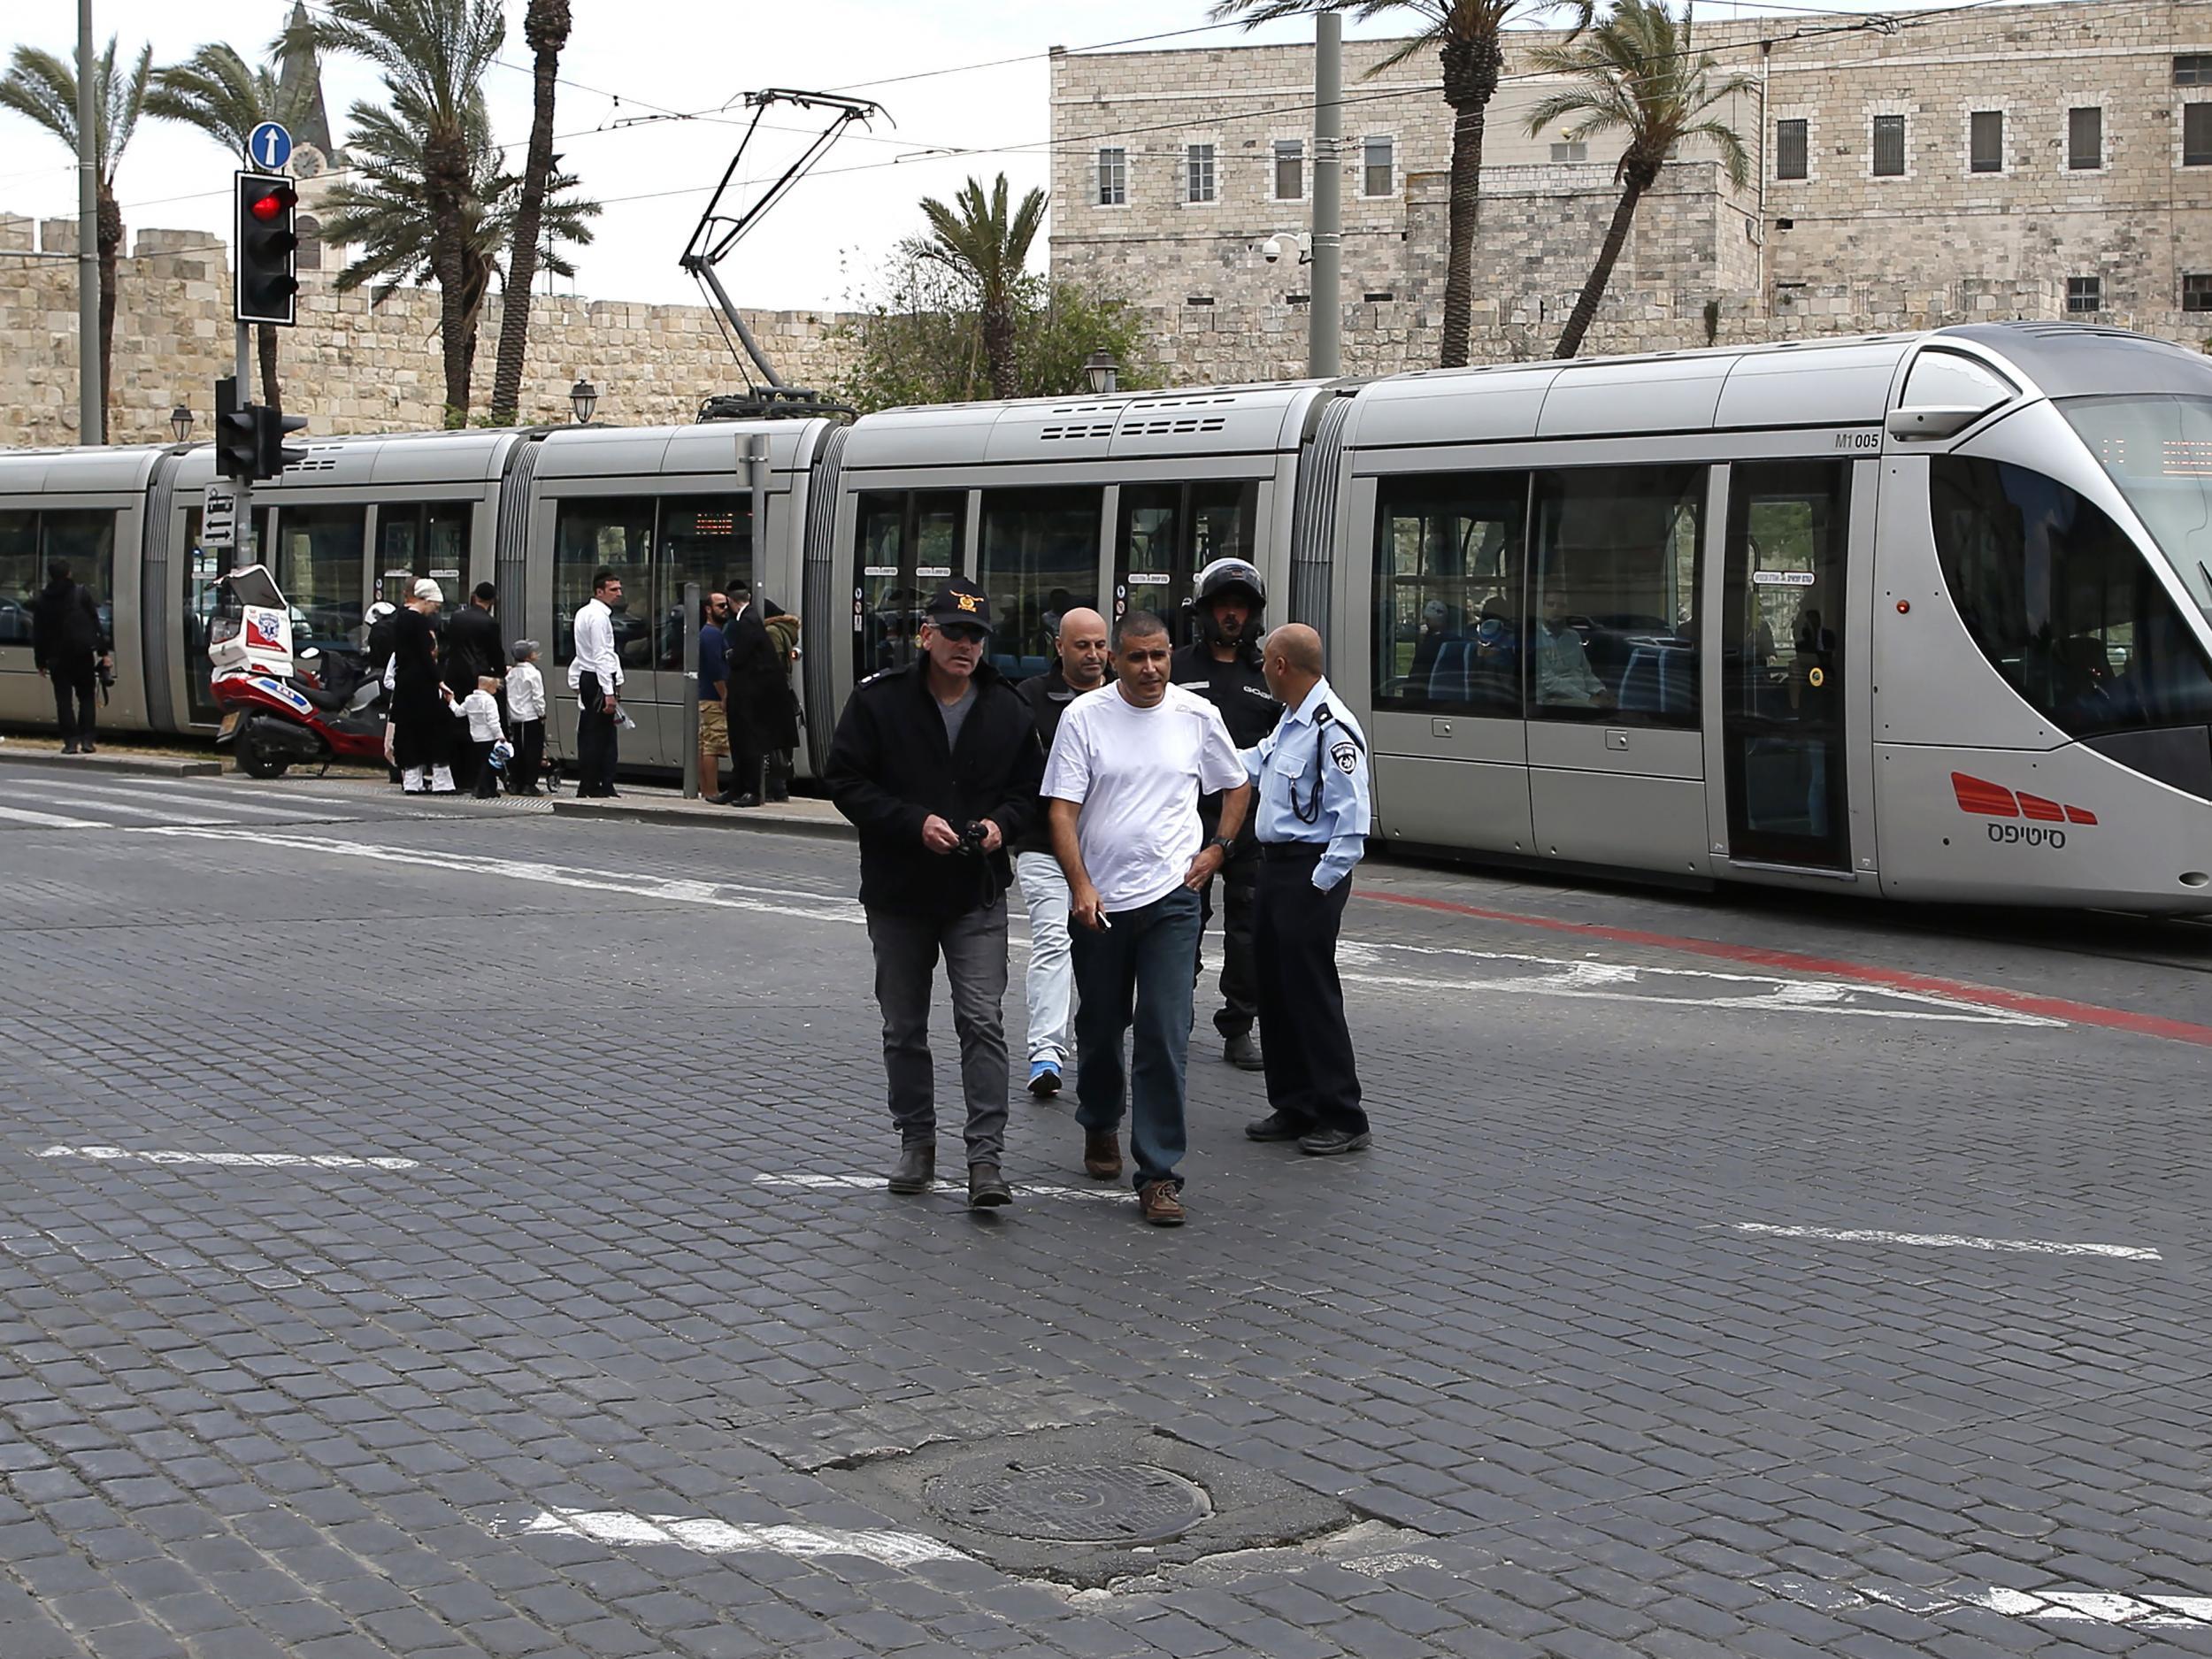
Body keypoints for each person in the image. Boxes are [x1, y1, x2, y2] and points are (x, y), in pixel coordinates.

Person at [825, 577, 1045, 1211]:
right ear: (926, 634)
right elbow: (845, 779)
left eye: (975, 636)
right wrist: (911, 822)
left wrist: (1002, 824)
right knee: (904, 1026)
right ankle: (917, 1141)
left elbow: (1031, 793)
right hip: (899, 892)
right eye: (953, 632)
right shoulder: (880, 701)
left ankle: (986, 1159)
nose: (965, 646)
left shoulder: (1008, 708)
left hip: (976, 891)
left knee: (982, 1019)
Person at [1044, 610, 1251, 1228]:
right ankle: (1100, 1119)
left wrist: (1218, 848)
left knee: (1164, 1027)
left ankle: (1159, 1171)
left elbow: (1236, 786)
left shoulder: (1196, 715)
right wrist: (1081, 885)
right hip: (1101, 903)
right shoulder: (1083, 718)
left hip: (1172, 900)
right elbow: (1061, 810)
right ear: (1115, 660)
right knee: (1102, 1025)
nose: (1151, 669)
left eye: (1159, 655)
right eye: (1136, 657)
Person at [1240, 624, 1374, 1157]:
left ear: (1279, 666)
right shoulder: (1291, 721)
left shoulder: (1330, 727)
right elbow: (1253, 764)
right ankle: (1295, 1103)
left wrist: (1320, 883)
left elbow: (1353, 821)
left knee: (1312, 992)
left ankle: (1343, 1113)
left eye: (1265, 663)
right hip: (1276, 868)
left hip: (1308, 874)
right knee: (1274, 988)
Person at [1170, 557, 1280, 1072]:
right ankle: (1174, 1019)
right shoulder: (1174, 669)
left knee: (1248, 930)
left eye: (1241, 607)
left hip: (1250, 828)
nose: (1232, 616)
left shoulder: (1270, 677)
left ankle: (1239, 1026)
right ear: (1204, 611)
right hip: (1185, 825)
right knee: (1182, 924)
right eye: (1223, 607)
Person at [1011, 607, 1111, 1100]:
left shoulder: (1128, 699)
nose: (1093, 655)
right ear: (1059, 647)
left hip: (1110, 856)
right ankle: (1045, 1053)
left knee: (1105, 954)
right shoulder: (1028, 700)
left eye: (1099, 645)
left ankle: (1103, 1045)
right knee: (1054, 940)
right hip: (1043, 848)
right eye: (1081, 646)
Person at [32, 558, 110, 755]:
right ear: (68, 573)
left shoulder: (43, 599)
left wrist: (40, 662)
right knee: (86, 697)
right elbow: (95, 624)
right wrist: (103, 653)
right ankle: (87, 740)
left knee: (64, 700)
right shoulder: (80, 594)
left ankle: (70, 742)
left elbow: (38, 633)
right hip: (82, 654)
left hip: (56, 658)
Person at [387, 580, 455, 794]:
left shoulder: (400, 619)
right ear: (425, 600)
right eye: (435, 604)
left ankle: (412, 782)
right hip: (422, 686)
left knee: (408, 732)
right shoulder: (420, 622)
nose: (436, 609)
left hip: (405, 684)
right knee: (434, 731)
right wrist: (439, 680)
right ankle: (442, 782)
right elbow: (425, 657)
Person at [719, 580, 780, 808]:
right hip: (748, 692)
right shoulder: (752, 619)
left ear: (732, 602)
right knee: (740, 741)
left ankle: (751, 791)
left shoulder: (747, 622)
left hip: (748, 693)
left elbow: (739, 658)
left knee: (747, 742)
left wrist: (729, 655)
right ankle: (736, 788)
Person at [569, 567, 624, 798]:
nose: (618, 593)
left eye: (619, 588)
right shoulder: (599, 618)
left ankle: (590, 782)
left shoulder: (583, 612)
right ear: (599, 591)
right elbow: (601, 655)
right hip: (599, 678)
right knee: (601, 736)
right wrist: (609, 692)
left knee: (590, 732)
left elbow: (582, 653)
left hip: (588, 676)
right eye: (613, 589)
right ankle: (599, 784)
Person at [442, 582, 503, 792]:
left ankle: (457, 776)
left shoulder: (457, 617)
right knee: (479, 727)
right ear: (493, 600)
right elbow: (495, 653)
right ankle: (475, 777)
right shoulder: (490, 623)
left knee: (457, 724)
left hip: (455, 675)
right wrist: (502, 671)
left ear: (474, 596)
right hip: (478, 678)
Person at [1533, 588, 1610, 709]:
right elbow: (1549, 682)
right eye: (1550, 605)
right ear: (1541, 609)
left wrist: (1601, 691)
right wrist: (1588, 699)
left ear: (1567, 610)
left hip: (1582, 695)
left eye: (1562, 606)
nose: (1556, 610)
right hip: (1554, 699)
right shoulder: (1536, 638)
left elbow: (1586, 672)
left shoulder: (1573, 636)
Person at [762, 601, 803, 803]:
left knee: (771, 743)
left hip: (774, 695)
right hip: (784, 695)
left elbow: (774, 664)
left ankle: (774, 788)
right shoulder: (786, 631)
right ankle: (780, 788)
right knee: (781, 743)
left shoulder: (770, 631)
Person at [449, 674, 508, 799]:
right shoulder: (489, 701)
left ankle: (491, 789)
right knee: (489, 764)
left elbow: (459, 712)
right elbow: (493, 721)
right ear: (489, 687)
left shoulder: (470, 699)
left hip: (476, 737)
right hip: (489, 737)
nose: (496, 690)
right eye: (495, 688)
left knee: (482, 762)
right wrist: (500, 736)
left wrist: (451, 701)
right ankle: (481, 788)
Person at [696, 591, 732, 799]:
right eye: (720, 606)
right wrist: (724, 695)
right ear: (708, 610)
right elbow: (715, 669)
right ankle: (712, 791)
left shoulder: (712, 633)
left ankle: (706, 790)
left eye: (726, 605)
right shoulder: (712, 634)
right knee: (713, 746)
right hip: (713, 698)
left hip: (708, 696)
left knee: (706, 744)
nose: (725, 609)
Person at [506, 641, 548, 796]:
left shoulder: (511, 674)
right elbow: (538, 697)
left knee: (518, 749)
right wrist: (541, 713)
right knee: (533, 751)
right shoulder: (534, 673)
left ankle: (516, 782)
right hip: (531, 716)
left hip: (516, 717)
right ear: (529, 656)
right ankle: (529, 784)